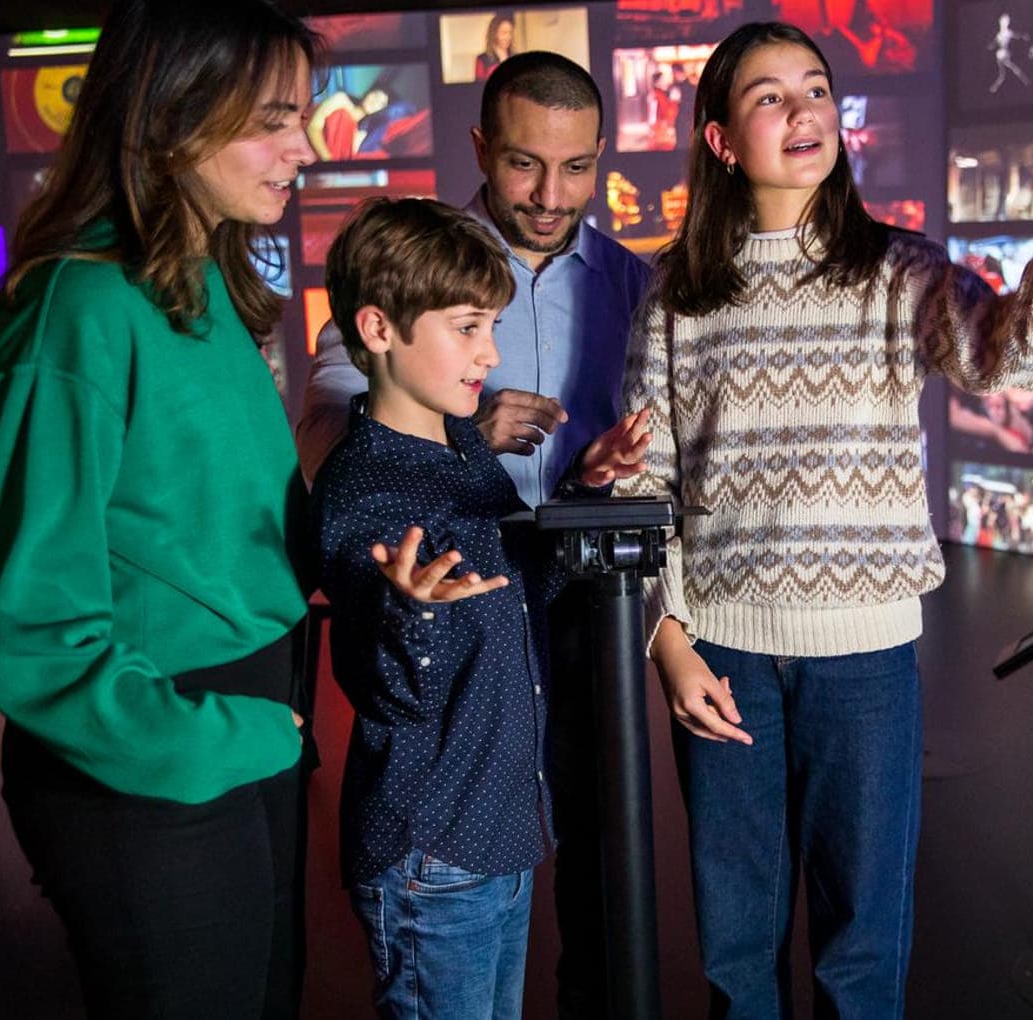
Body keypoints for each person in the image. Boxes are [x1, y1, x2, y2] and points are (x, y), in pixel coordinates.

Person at [614, 21, 1033, 1015]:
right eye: (769, 96)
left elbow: (1017, 356)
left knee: (860, 950)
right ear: (720, 138)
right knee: (735, 949)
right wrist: (668, 640)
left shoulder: (901, 269)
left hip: (863, 659)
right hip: (721, 655)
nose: (803, 110)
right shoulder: (676, 292)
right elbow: (647, 483)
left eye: (815, 88)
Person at [0, 2, 319, 1015]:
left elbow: (213, 527)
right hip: (155, 764)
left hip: (246, 732)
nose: (305, 148)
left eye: (303, 115)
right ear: (173, 117)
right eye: (274, 121)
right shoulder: (78, 306)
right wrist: (207, 737)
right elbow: (25, 625)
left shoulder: (201, 278)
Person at [296, 51, 652, 1020]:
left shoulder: (632, 284)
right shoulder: (382, 456)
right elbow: (389, 676)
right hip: (437, 824)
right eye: (526, 164)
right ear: (483, 149)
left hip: (523, 743)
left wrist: (586, 484)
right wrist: (458, 440)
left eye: (577, 167)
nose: (551, 194)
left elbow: (513, 572)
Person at [475, 12, 514, 81]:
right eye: (504, 32)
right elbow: (479, 85)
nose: (508, 37)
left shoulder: (515, 57)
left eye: (510, 33)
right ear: (494, 33)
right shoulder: (482, 59)